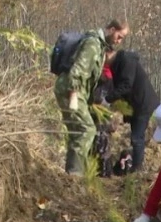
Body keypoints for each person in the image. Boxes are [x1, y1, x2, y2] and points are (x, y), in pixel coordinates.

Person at [54, 19, 129, 176]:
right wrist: (73, 93)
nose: (119, 41)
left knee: (77, 131)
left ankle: (72, 174)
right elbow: (78, 69)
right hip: (72, 90)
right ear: (111, 29)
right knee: (86, 129)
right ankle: (75, 174)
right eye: (119, 36)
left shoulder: (99, 47)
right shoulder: (92, 44)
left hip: (75, 91)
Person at [102, 49, 160, 172]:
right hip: (135, 104)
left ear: (107, 53)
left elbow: (126, 85)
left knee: (137, 137)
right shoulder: (117, 64)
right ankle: (133, 164)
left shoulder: (126, 61)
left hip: (143, 103)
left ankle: (137, 169)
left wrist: (107, 99)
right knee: (135, 136)